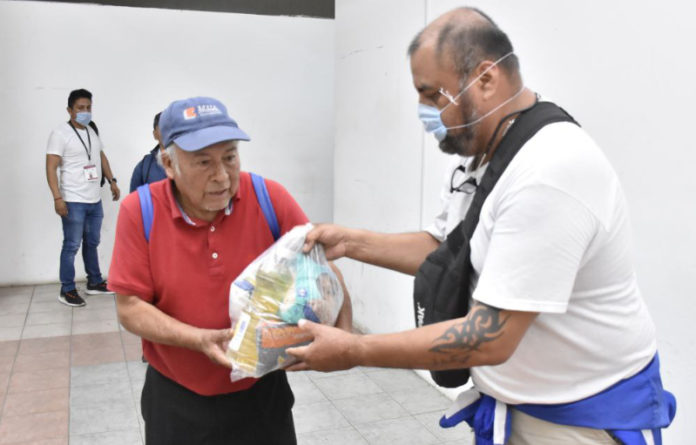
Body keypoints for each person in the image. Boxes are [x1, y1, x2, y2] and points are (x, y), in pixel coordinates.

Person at [286, 7, 675, 444]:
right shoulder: (485, 156)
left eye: (433, 95)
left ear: (485, 80)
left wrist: (356, 350)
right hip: (519, 407)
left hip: (575, 421)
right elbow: (449, 251)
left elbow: (490, 336)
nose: (423, 112)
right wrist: (351, 242)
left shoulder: (549, 170)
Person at [108, 96, 352, 445]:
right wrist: (198, 339)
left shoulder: (269, 197)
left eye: (230, 158)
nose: (221, 176)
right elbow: (130, 307)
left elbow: (320, 269)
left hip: (261, 394)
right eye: (203, 162)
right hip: (176, 397)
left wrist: (343, 333)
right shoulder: (140, 210)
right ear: (169, 164)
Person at [46, 88, 120, 307]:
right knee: (71, 245)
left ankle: (94, 282)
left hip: (94, 199)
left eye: (88, 107)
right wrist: (57, 198)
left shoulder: (91, 131)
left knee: (92, 242)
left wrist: (112, 180)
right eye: (80, 108)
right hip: (73, 199)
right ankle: (67, 289)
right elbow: (51, 168)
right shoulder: (60, 134)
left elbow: (100, 155)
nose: (85, 111)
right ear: (70, 110)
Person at [129, 112, 167, 193]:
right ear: (155, 134)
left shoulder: (189, 161)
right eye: (162, 127)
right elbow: (134, 200)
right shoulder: (144, 166)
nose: (167, 132)